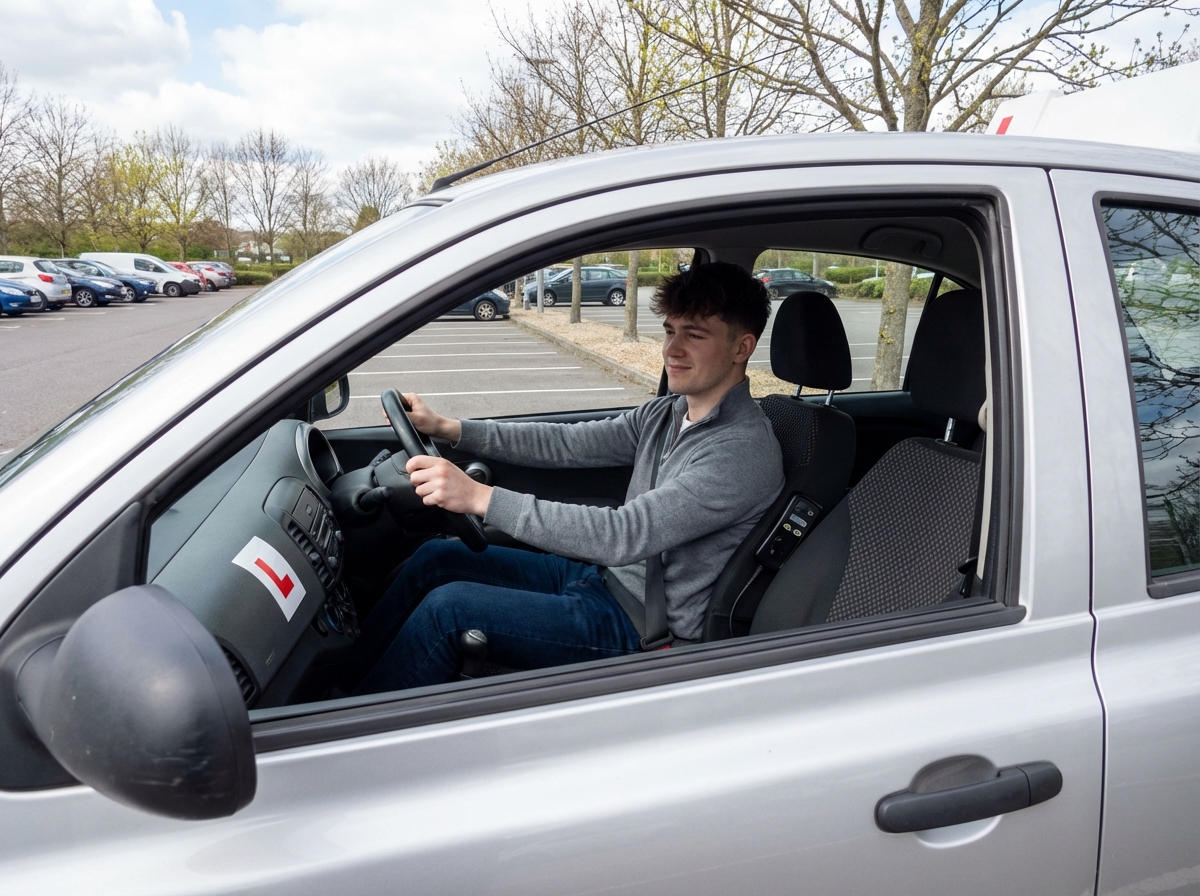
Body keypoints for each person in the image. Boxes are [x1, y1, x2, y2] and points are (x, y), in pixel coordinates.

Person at [354, 262, 785, 693]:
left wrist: (480, 497)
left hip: (642, 625)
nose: (671, 350)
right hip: (604, 579)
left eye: (694, 335)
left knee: (447, 610)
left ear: (740, 347)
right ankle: (342, 680)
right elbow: (566, 444)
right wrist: (453, 429)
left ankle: (346, 724)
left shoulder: (740, 451)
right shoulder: (667, 413)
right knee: (436, 558)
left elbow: (623, 534)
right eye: (670, 331)